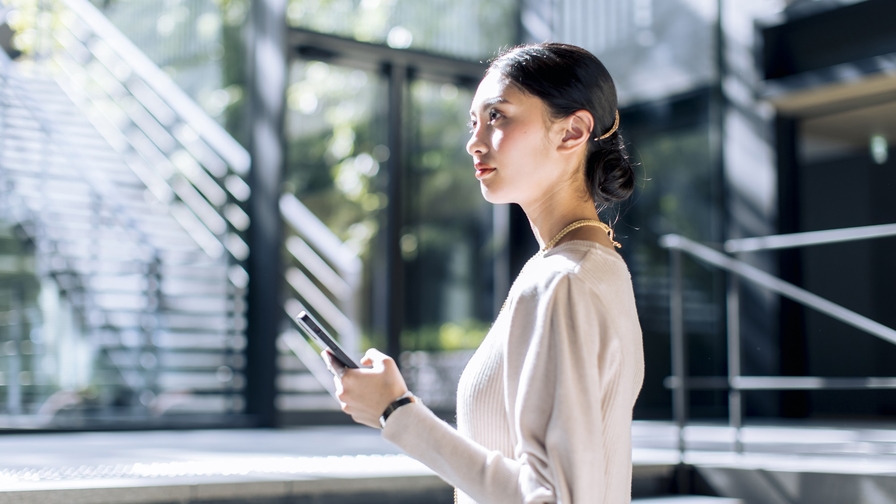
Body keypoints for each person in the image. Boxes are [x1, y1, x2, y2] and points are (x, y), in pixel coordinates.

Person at [324, 42, 645, 504]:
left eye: (498, 116)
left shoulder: (563, 282)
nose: (474, 142)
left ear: (572, 132)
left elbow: (553, 497)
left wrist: (397, 412)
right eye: (473, 122)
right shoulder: (592, 270)